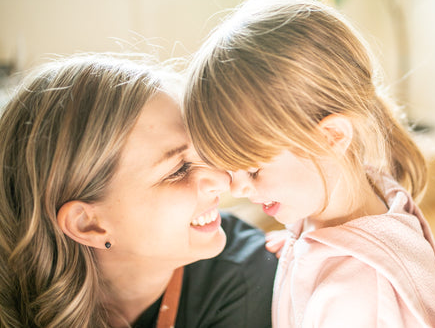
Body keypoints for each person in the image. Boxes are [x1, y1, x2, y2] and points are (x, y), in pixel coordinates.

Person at [183, 0, 435, 327]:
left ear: (332, 137)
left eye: (252, 170)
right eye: (228, 166)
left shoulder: (355, 296)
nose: (236, 189)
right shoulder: (355, 191)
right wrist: (303, 249)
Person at [0, 53, 277, 328]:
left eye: (204, 150)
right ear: (87, 224)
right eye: (178, 170)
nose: (222, 179)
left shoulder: (247, 278)